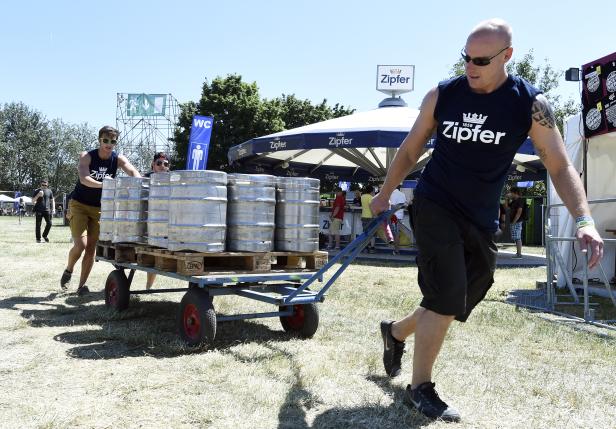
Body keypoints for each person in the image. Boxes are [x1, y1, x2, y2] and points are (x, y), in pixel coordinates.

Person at [370, 19, 604, 422]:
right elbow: (410, 151)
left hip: (479, 216)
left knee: (463, 293)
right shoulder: (442, 95)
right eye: (466, 58)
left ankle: (395, 332)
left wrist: (584, 219)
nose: (470, 67)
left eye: (480, 60)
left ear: (506, 56)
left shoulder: (530, 104)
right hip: (435, 203)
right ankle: (420, 387)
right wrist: (385, 192)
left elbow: (560, 164)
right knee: (446, 293)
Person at [60, 126, 141, 295]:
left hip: (100, 208)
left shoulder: (117, 158)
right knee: (80, 245)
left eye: (113, 141)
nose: (109, 144)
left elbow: (133, 171)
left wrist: (141, 183)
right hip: (79, 204)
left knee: (91, 249)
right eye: (105, 140)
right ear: (99, 140)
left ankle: (81, 287)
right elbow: (84, 179)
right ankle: (69, 269)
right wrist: (106, 184)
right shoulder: (87, 156)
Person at [144, 152, 170, 289]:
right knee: (151, 254)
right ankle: (148, 286)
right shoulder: (145, 179)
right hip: (148, 221)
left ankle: (149, 286)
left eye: (165, 164)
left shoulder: (173, 179)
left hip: (166, 222)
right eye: (159, 163)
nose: (162, 166)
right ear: (153, 165)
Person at [507, 186, 525, 258]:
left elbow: (519, 212)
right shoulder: (514, 201)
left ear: (515, 193)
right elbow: (507, 207)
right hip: (514, 221)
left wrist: (514, 221)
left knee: (517, 238)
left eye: (511, 192)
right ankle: (518, 253)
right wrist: (506, 198)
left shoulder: (520, 200)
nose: (510, 194)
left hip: (517, 221)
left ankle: (519, 254)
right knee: (516, 237)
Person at [389, 185, 407, 255]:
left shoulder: (393, 194)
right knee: (396, 233)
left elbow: (392, 206)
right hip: (399, 216)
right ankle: (396, 250)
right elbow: (404, 205)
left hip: (394, 216)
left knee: (395, 234)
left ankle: (396, 250)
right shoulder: (402, 194)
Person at [360, 185, 376, 253]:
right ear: (371, 191)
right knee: (372, 233)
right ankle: (372, 248)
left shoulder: (362, 196)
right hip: (370, 217)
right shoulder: (371, 197)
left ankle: (365, 247)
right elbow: (371, 207)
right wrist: (374, 215)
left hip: (364, 216)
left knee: (365, 232)